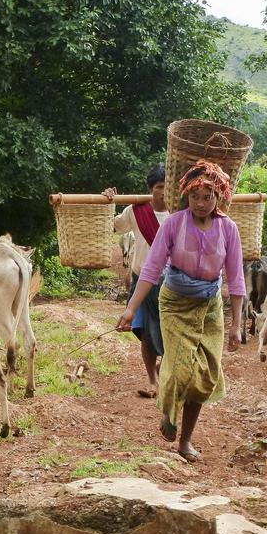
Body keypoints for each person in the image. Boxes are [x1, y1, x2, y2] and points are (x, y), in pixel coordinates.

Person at [116, 159, 245, 463]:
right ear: (186, 195)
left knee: (207, 375)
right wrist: (130, 308)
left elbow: (236, 278)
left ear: (220, 197)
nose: (201, 203)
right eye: (195, 196)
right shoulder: (174, 223)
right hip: (173, 302)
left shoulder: (228, 229)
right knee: (182, 369)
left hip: (209, 306)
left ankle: (186, 439)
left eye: (208, 197)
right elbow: (151, 269)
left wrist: (237, 324)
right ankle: (170, 414)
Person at [103, 164, 169, 399]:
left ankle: (166, 371)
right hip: (141, 278)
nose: (163, 192)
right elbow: (112, 226)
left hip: (171, 283)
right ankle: (152, 381)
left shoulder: (182, 213)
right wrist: (107, 202)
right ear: (151, 189)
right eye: (159, 187)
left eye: (167, 186)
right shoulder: (136, 210)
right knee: (147, 334)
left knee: (172, 333)